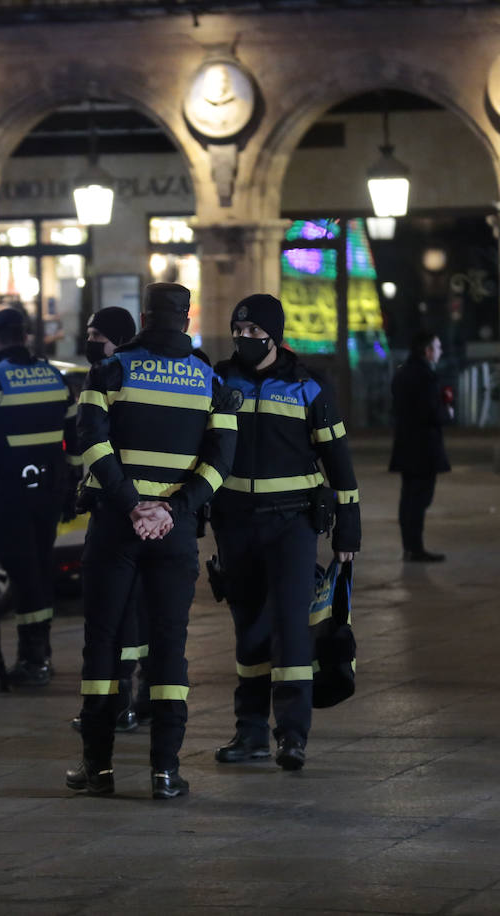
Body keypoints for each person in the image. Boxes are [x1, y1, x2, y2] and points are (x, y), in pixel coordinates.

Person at [67, 282, 238, 800]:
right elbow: (221, 463)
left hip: (117, 526)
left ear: (143, 317)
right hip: (173, 532)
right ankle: (165, 771)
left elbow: (90, 441)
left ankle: (97, 770)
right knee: (169, 646)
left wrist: (130, 503)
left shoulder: (112, 370)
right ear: (186, 320)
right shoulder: (212, 381)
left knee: (103, 643)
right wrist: (172, 510)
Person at [211, 294, 360, 772]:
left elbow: (339, 461)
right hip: (235, 522)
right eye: (239, 331)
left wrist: (348, 533)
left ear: (276, 336)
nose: (245, 340)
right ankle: (250, 731)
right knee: (250, 628)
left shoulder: (308, 386)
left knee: (292, 628)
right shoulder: (221, 378)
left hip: (292, 523)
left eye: (255, 332)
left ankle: (292, 736)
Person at [0, 309, 75, 687]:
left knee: (24, 576)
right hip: (48, 493)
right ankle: (39, 655)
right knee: (38, 569)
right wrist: (70, 491)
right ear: (25, 337)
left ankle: (34, 661)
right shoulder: (55, 376)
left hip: (8, 496)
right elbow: (75, 442)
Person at [71, 306, 145, 734]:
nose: (91, 340)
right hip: (116, 506)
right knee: (119, 617)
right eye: (88, 332)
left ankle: (119, 704)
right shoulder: (101, 375)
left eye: (98, 334)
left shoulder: (117, 377)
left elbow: (104, 446)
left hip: (125, 510)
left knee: (119, 617)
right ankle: (122, 703)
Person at [388, 330, 450, 562]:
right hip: (424, 449)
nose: (441, 351)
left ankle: (410, 546)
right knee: (420, 499)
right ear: (427, 351)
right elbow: (431, 413)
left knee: (409, 498)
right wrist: (447, 413)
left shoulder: (402, 374)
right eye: (438, 347)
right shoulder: (426, 376)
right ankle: (416, 548)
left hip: (406, 446)